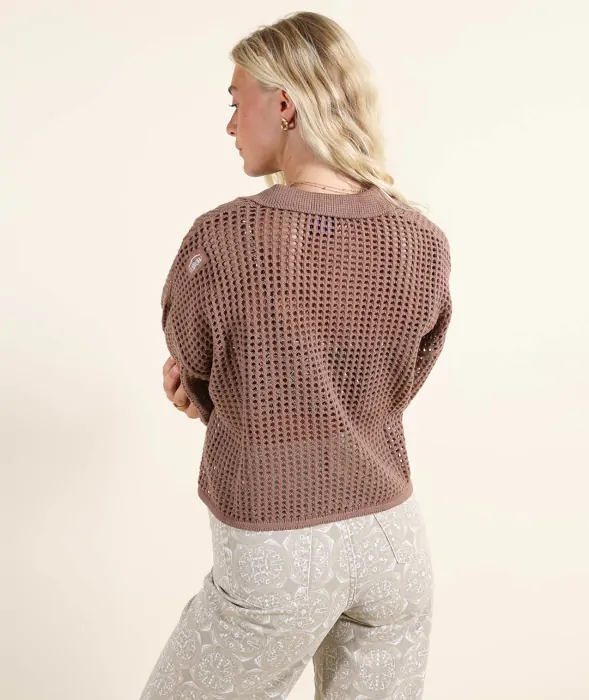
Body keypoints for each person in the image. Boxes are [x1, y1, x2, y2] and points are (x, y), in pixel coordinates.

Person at [141, 10, 453, 700]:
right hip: (394, 544)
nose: (230, 124)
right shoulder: (423, 240)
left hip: (277, 549)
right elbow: (401, 379)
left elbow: (196, 367)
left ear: (283, 105)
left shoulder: (223, 237)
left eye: (235, 101)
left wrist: (206, 391)